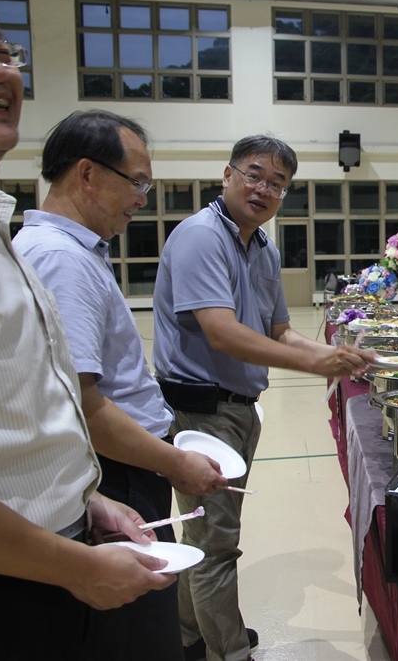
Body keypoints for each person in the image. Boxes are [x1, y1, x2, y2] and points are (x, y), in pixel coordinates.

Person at [0, 0, 175, 658]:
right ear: (90, 176)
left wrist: (83, 500)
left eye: (3, 50)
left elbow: (9, 422)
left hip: (42, 559)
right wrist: (79, 565)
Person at [12, 110, 228, 660]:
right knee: (137, 632)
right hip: (120, 470)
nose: (143, 198)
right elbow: (82, 404)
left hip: (123, 467)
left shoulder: (69, 250)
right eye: (137, 182)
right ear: (87, 174)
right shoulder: (62, 259)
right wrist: (173, 462)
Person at [152, 134, 377, 661]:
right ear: (227, 174)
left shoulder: (263, 247)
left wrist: (336, 352)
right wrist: (315, 362)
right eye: (253, 174)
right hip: (201, 410)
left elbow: (278, 331)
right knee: (216, 543)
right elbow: (223, 333)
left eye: (277, 183)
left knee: (202, 530)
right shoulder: (201, 237)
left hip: (236, 407)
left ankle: (189, 634)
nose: (263, 188)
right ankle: (228, 651)